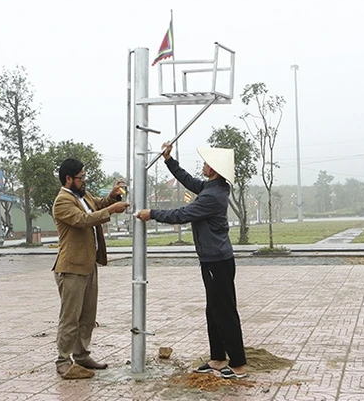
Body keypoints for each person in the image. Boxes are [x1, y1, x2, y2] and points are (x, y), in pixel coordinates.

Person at [136, 143, 247, 379]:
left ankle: (237, 363)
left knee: (224, 311)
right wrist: (169, 161)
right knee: (213, 310)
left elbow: (182, 214)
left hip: (218, 261)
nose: (204, 166)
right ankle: (217, 358)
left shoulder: (213, 197)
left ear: (215, 169)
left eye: (207, 163)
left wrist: (152, 214)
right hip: (212, 259)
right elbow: (188, 180)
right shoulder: (212, 188)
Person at [52, 158, 129, 378]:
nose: (84, 180)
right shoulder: (62, 201)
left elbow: (98, 204)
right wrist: (112, 210)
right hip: (71, 268)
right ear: (69, 178)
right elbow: (84, 220)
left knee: (87, 316)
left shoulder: (82, 195)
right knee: (70, 317)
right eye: (81, 177)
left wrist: (112, 197)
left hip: (88, 264)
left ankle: (82, 356)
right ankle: (63, 361)